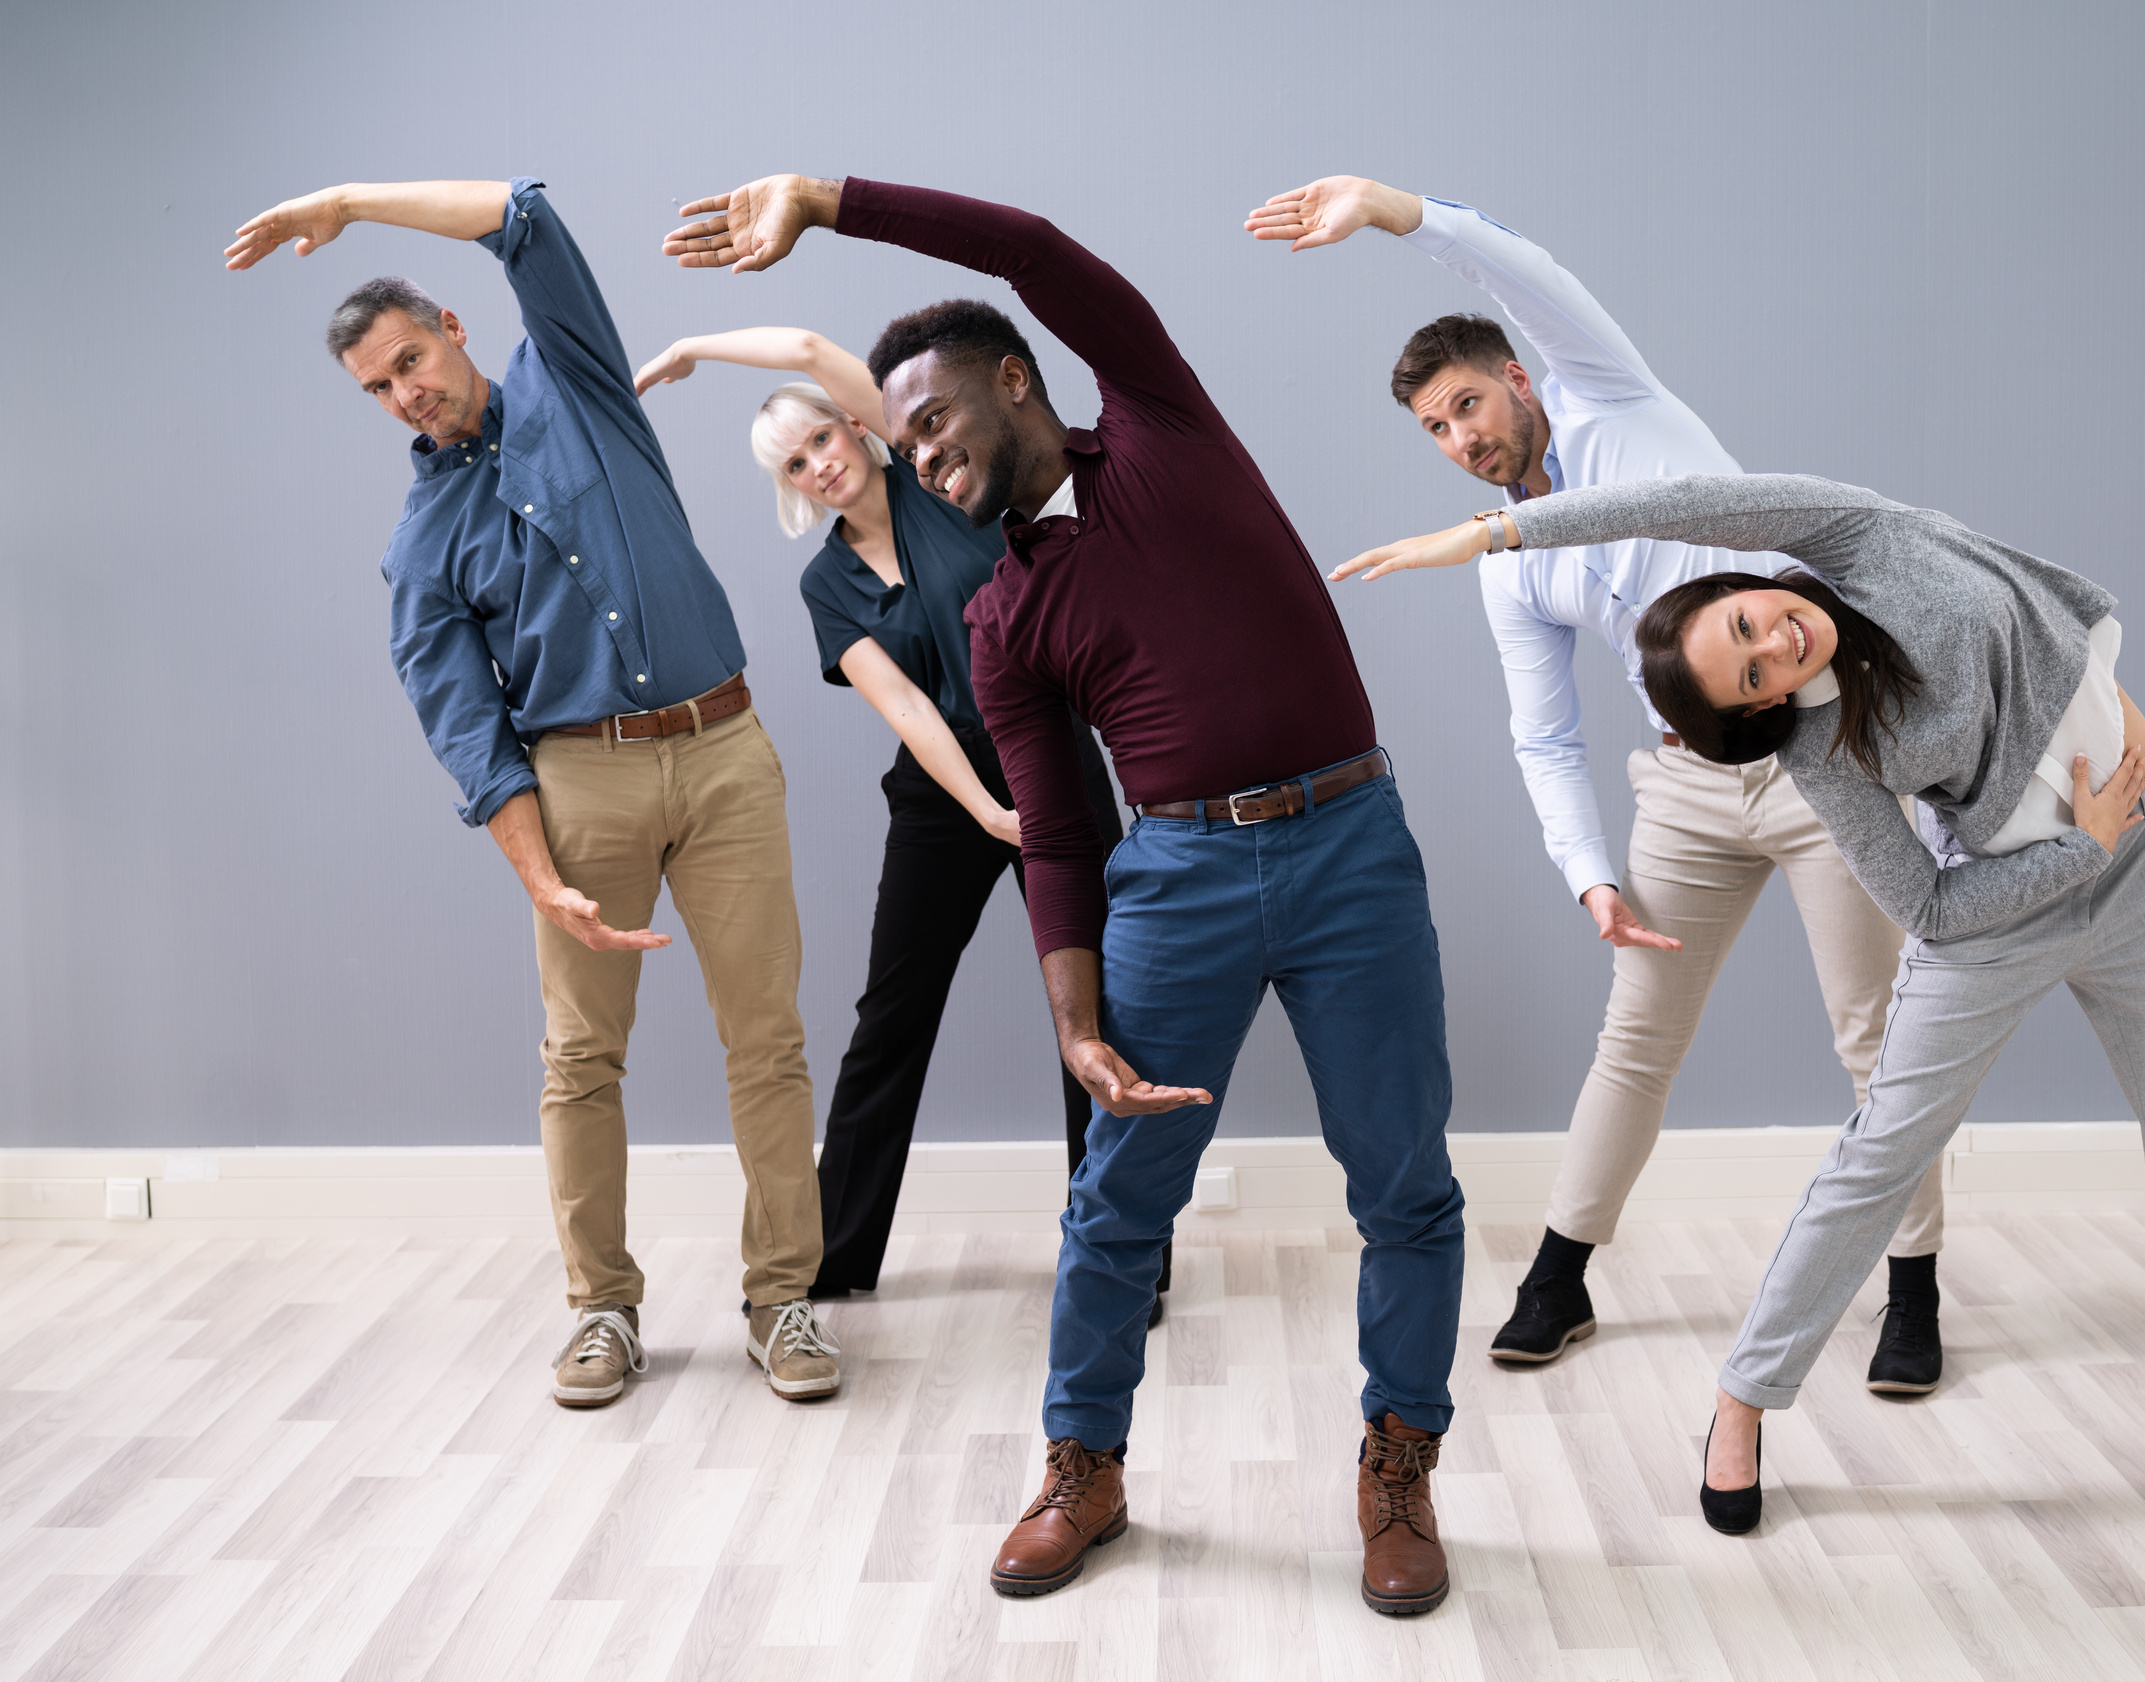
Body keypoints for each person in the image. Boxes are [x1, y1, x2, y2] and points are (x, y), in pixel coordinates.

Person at [660, 173, 1464, 1614]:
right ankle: (1081, 1464)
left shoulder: (1162, 426)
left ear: (1013, 381)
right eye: (900, 442)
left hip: (1350, 846)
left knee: (1403, 1187)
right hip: (1175, 879)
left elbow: (1030, 249)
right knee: (1110, 1209)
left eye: (934, 424)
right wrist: (1075, 1015)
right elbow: (1053, 829)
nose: (922, 456)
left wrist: (828, 202)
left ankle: (1396, 1466)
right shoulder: (1000, 615)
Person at [1343, 473, 2145, 1536]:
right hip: (2004, 904)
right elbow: (1931, 904)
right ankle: (1741, 1399)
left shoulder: (1857, 535)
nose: (1777, 641)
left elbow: (1673, 500)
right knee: (1880, 1153)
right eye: (1752, 670)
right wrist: (2081, 841)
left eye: (1749, 620)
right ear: (1758, 706)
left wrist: (1491, 533)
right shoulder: (1819, 743)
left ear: (1740, 582)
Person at [1245, 178, 1945, 1389]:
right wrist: (1589, 874)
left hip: (1824, 757)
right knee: (1635, 1037)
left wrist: (1393, 209)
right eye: (1434, 429)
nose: (1460, 438)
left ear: (1517, 378)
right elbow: (1546, 736)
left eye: (1466, 403)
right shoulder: (1505, 566)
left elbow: (1519, 268)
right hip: (1687, 789)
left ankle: (1915, 1289)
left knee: (1875, 1036)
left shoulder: (1615, 399)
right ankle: (1559, 1276)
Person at [224, 178, 839, 1410]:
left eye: (411, 358)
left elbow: (526, 217)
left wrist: (350, 202)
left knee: (765, 1041)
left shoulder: (573, 375)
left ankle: (783, 1300)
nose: (408, 392)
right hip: (577, 781)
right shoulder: (424, 539)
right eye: (380, 389)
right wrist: (539, 867)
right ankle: (602, 1306)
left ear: (450, 325)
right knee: (579, 1057)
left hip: (723, 751)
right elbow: (464, 718)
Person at [630, 329, 1166, 1314]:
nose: (820, 463)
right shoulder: (825, 583)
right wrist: (989, 811)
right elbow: (911, 709)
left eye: (823, 437)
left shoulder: (939, 488)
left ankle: (1121, 1255)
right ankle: (831, 1253)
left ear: (854, 426)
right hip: (940, 791)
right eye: (795, 463)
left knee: (1097, 1003)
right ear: (789, 482)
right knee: (891, 1016)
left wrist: (697, 348)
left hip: (1049, 752)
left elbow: (803, 345)